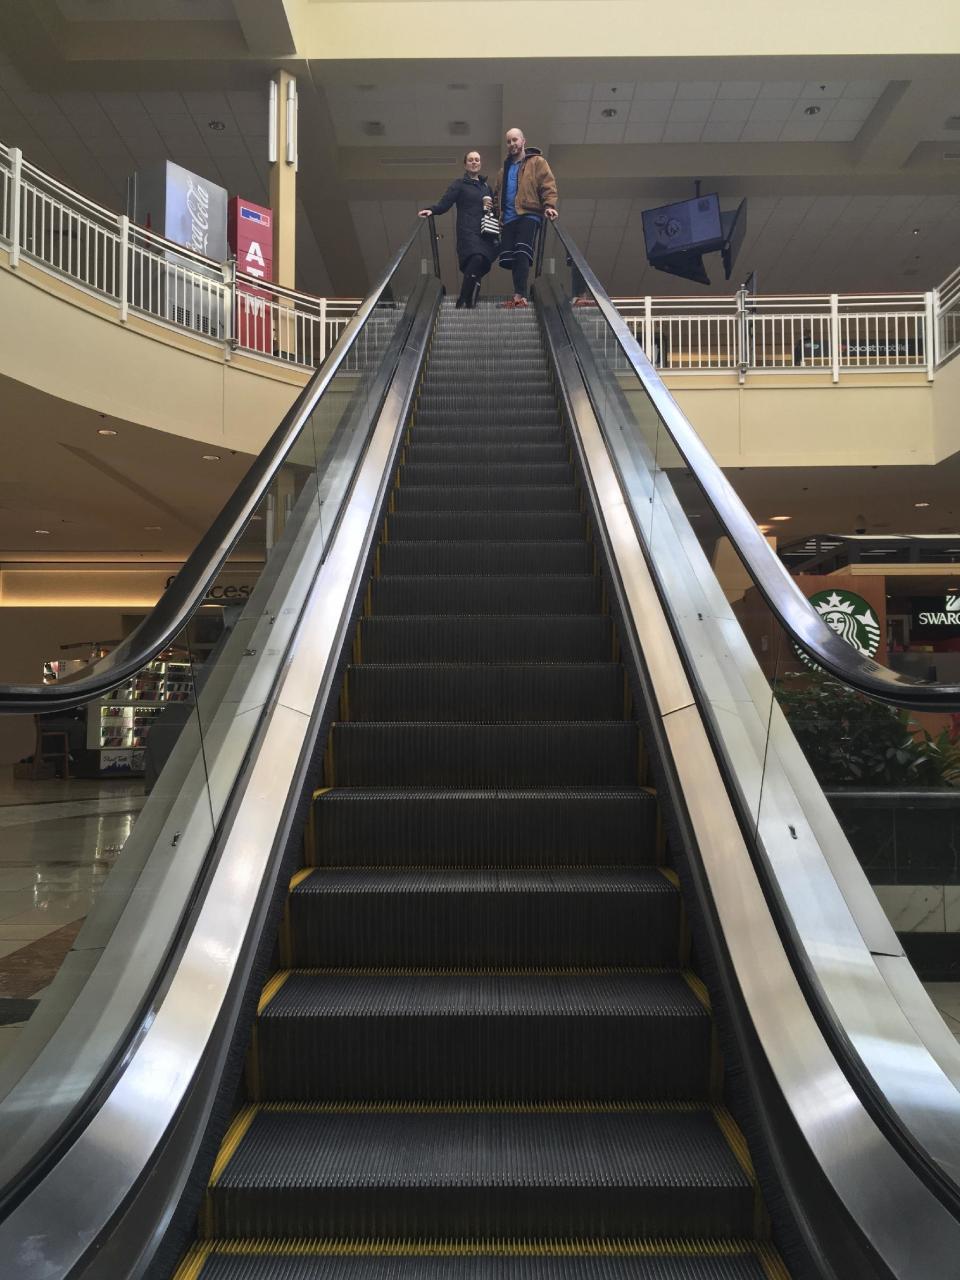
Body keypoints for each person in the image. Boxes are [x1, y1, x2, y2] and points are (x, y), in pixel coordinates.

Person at [418, 150, 498, 309]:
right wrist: (432, 210)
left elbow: (494, 210)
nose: (474, 162)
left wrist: (492, 209)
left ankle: (470, 301)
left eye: (477, 159)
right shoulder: (459, 184)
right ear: (465, 164)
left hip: (486, 231)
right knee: (476, 258)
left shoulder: (486, 187)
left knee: (481, 261)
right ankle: (464, 298)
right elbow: (445, 203)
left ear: (480, 164)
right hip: (468, 230)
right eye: (471, 160)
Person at [492, 127, 558, 308]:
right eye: (509, 141)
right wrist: (497, 213)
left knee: (522, 251)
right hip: (509, 219)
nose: (512, 144)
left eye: (515, 140)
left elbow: (547, 184)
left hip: (529, 213)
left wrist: (549, 206)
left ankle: (520, 295)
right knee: (512, 257)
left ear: (523, 141)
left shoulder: (537, 162)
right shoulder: (502, 171)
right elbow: (498, 194)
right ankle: (518, 294)